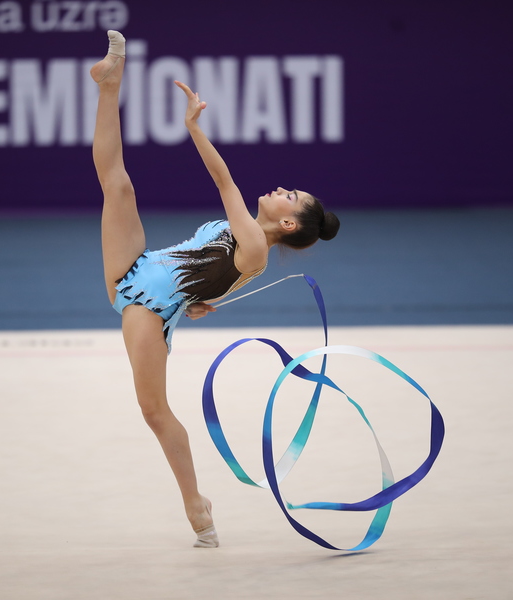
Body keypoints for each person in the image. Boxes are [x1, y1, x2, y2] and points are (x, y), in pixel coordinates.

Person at [90, 30, 340, 548]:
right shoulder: (249, 248)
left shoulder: (256, 244)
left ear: (289, 223)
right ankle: (109, 83)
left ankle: (196, 505)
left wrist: (193, 128)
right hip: (139, 265)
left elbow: (225, 183)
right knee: (118, 184)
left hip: (147, 305)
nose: (278, 190)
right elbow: (220, 276)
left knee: (154, 411)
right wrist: (202, 300)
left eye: (288, 196)